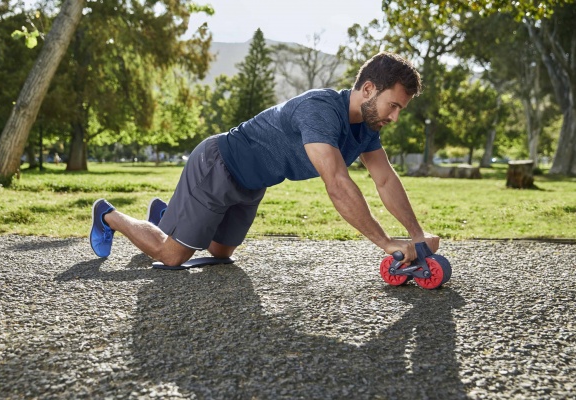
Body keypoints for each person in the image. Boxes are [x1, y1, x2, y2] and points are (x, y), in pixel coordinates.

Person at [90, 52, 439, 267]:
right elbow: (336, 181)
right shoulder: (320, 111)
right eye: (392, 106)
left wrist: (416, 233)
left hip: (251, 186)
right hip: (219, 165)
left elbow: (385, 179)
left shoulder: (366, 127)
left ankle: (167, 217)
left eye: (399, 110)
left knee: (221, 253)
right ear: (367, 90)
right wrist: (385, 242)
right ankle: (109, 215)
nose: (394, 117)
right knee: (172, 256)